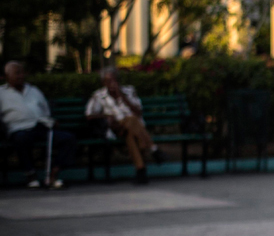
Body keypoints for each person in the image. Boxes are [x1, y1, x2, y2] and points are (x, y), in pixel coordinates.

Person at [0, 61, 74, 189]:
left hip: (41, 126)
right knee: (21, 139)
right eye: (17, 73)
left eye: (22, 72)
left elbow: (45, 110)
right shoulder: (2, 93)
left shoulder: (33, 90)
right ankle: (31, 175)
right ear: (7, 76)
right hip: (18, 128)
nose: (21, 76)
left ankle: (53, 173)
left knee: (67, 138)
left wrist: (50, 120)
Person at [85, 67, 163, 184]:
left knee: (131, 133)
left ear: (118, 80)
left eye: (114, 80)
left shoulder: (129, 90)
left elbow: (138, 112)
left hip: (131, 128)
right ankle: (153, 148)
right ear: (103, 82)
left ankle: (140, 171)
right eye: (108, 81)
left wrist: (122, 96)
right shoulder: (98, 95)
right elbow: (89, 115)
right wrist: (106, 116)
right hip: (116, 128)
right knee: (131, 121)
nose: (111, 83)